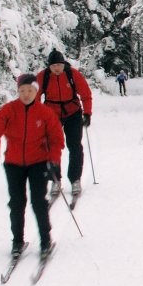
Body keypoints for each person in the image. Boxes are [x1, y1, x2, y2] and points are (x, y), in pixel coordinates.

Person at [0, 72, 65, 260]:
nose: (26, 94)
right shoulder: (9, 110)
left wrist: (54, 161)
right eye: (22, 90)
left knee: (38, 202)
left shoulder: (45, 112)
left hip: (38, 163)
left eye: (29, 90)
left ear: (36, 91)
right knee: (16, 203)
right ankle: (17, 241)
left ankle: (45, 240)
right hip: (14, 163)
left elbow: (56, 139)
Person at [36, 49, 93, 201]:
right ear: (49, 66)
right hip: (51, 114)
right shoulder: (43, 77)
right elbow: (33, 97)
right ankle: (55, 179)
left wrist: (87, 113)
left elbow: (86, 94)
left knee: (74, 146)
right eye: (53, 65)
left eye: (59, 65)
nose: (56, 68)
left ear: (63, 64)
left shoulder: (72, 74)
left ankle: (75, 179)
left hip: (73, 112)